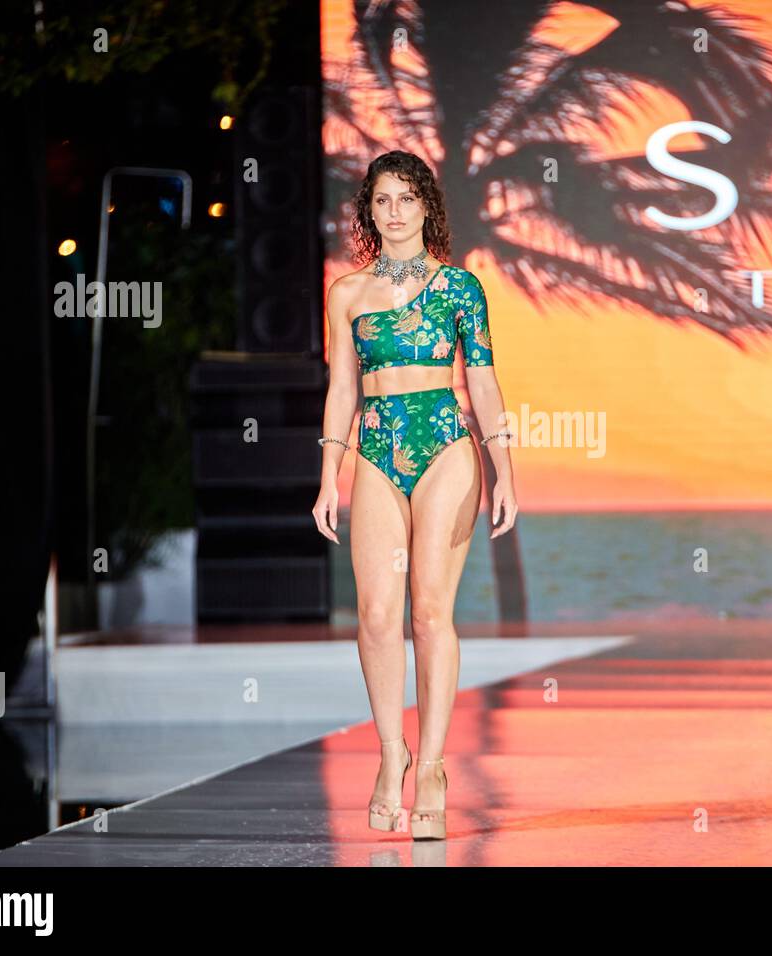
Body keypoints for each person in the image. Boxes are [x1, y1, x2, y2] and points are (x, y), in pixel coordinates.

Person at [312, 151, 518, 839]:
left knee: (430, 614)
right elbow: (342, 387)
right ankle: (391, 752)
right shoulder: (346, 292)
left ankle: (431, 765)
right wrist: (327, 476)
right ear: (368, 211)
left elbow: (482, 381)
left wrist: (505, 471)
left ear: (427, 206)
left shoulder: (461, 288)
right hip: (374, 450)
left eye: (406, 198)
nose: (394, 210)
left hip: (447, 450)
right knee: (375, 616)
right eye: (382, 200)